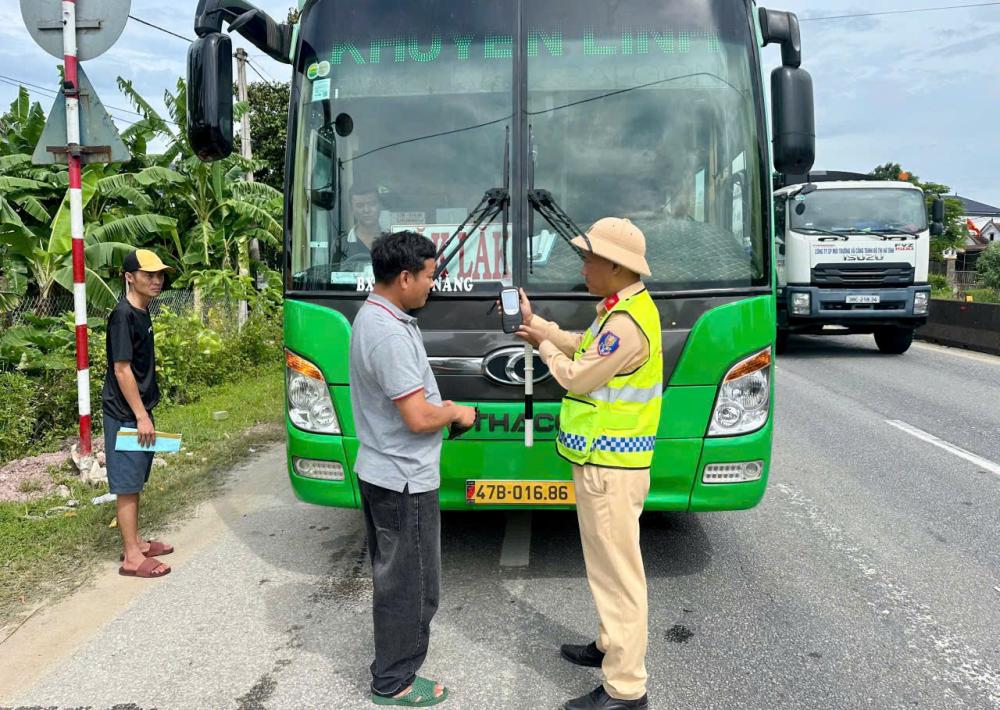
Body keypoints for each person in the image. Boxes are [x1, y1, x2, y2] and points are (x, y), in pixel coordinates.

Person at [515, 218, 662, 710]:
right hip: (604, 465)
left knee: (619, 576)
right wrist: (541, 326)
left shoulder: (625, 324)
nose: (583, 265)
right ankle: (608, 646)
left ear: (616, 267)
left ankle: (626, 689)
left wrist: (540, 348)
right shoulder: (621, 309)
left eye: (589, 257)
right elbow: (585, 344)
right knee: (606, 568)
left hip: (611, 469)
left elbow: (578, 376)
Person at [348, 230, 477, 707]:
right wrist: (455, 411)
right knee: (412, 585)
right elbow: (419, 417)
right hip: (403, 478)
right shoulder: (386, 333)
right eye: (428, 276)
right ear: (403, 277)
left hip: (387, 471)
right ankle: (394, 681)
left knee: (398, 577)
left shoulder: (384, 317)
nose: (433, 284)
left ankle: (391, 668)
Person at [103, 249, 175, 579]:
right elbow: (121, 370)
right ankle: (132, 556)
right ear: (129, 277)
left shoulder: (141, 311)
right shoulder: (123, 315)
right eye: (149, 274)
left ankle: (138, 542)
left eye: (159, 274)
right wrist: (141, 416)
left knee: (137, 480)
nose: (156, 280)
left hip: (139, 410)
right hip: (126, 414)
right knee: (127, 485)